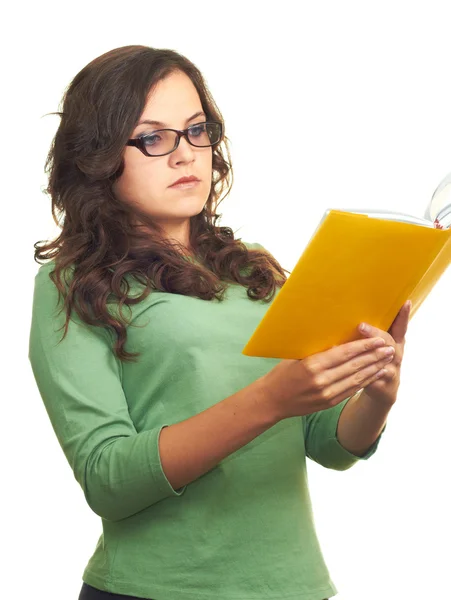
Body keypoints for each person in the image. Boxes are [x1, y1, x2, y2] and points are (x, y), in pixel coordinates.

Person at [28, 44, 411, 600]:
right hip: (154, 590)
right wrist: (270, 400)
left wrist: (377, 393)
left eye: (196, 130)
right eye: (153, 138)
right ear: (100, 157)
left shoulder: (253, 267)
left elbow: (327, 443)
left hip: (294, 586)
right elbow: (106, 479)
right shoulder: (73, 283)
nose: (185, 155)